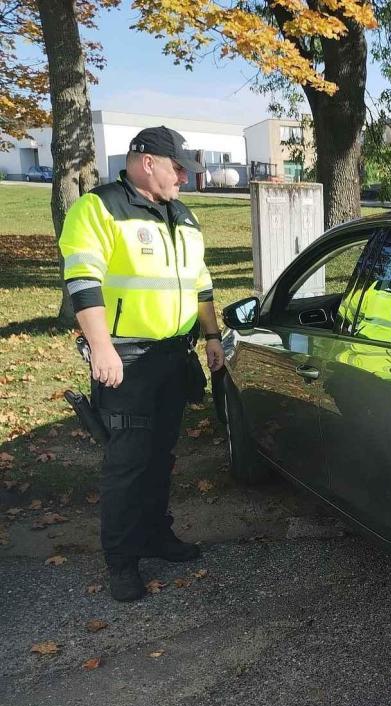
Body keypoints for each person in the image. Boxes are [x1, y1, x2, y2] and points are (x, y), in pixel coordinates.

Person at [59, 126, 224, 602]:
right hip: (125, 357)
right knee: (127, 462)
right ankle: (122, 560)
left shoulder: (184, 216)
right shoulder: (99, 207)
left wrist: (210, 336)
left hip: (174, 355)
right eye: (178, 170)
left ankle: (155, 534)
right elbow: (83, 283)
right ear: (147, 161)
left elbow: (202, 283)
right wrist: (102, 347)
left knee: (161, 455)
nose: (184, 180)